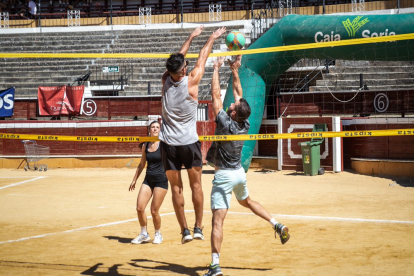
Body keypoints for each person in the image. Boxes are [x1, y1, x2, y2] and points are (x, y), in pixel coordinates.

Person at [204, 55, 290, 276]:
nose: (232, 102)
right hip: (239, 174)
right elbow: (240, 95)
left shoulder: (225, 122)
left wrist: (215, 68)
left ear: (232, 113)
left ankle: (215, 266)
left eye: (232, 105)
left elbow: (215, 95)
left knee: (217, 222)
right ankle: (276, 224)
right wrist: (234, 70)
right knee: (247, 201)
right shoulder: (245, 121)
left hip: (224, 176)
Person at [159, 26, 226, 244]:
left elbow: (178, 60)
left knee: (176, 188)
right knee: (196, 186)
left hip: (168, 144)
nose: (187, 67)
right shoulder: (191, 81)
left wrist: (190, 37)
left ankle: (184, 231)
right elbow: (202, 57)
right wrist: (211, 38)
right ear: (180, 73)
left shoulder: (166, 80)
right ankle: (198, 227)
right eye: (184, 67)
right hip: (188, 142)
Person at [129, 121, 169, 245]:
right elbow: (142, 164)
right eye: (153, 127)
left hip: (161, 180)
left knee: (154, 211)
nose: (155, 129)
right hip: (148, 180)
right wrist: (134, 179)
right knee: (140, 208)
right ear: (149, 130)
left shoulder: (164, 145)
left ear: (160, 130)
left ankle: (158, 234)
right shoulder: (145, 145)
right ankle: (144, 234)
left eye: (157, 127)